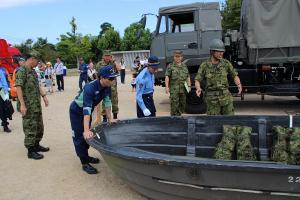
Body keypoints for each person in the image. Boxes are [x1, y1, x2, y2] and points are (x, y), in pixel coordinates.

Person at [69, 65, 119, 174]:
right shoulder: (90, 87)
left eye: (114, 78)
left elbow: (107, 103)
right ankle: (84, 163)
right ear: (102, 77)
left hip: (87, 111)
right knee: (80, 135)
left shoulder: (107, 87)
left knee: (88, 135)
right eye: (110, 78)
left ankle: (86, 156)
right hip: (77, 111)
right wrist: (86, 130)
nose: (113, 80)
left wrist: (110, 119)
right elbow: (86, 110)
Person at [15, 51, 50, 160]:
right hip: (28, 105)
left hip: (35, 104)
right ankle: (31, 151)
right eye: (37, 61)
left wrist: (44, 96)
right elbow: (18, 88)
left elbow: (37, 84)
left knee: (39, 126)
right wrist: (22, 105)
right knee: (30, 126)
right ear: (32, 59)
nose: (37, 63)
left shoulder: (33, 71)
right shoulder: (21, 71)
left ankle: (36, 145)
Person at [195, 39, 242, 115]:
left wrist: (239, 85)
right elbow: (197, 79)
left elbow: (234, 75)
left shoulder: (226, 63)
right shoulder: (204, 65)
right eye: (219, 52)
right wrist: (198, 88)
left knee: (229, 122)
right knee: (214, 123)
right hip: (212, 100)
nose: (221, 53)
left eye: (222, 52)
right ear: (212, 52)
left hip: (226, 98)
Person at [95, 50, 121, 122]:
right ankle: (105, 118)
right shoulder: (99, 64)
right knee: (104, 101)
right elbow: (97, 75)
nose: (107, 57)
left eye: (109, 56)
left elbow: (119, 69)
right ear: (103, 56)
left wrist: (114, 61)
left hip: (112, 86)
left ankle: (115, 116)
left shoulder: (113, 63)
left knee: (114, 101)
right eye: (106, 56)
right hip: (104, 85)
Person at [165, 50, 190, 116]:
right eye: (176, 56)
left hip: (183, 90)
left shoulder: (184, 66)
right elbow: (167, 77)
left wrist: (189, 86)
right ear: (174, 57)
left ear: (182, 57)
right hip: (174, 90)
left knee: (183, 105)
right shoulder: (170, 66)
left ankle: (179, 117)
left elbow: (188, 76)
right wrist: (167, 87)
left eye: (179, 56)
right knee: (174, 106)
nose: (177, 58)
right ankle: (174, 119)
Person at [0, 65, 12, 133]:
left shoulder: (0, 71)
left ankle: (5, 125)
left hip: (1, 91)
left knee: (3, 108)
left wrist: (6, 93)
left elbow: (4, 81)